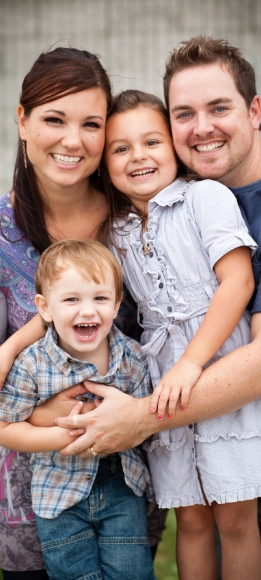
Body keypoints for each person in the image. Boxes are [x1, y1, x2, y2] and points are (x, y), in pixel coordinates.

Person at [54, 37, 261, 466]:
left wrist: (141, 416)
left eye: (220, 108)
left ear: (255, 111)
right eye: (185, 114)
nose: (202, 128)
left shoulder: (207, 201)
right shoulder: (150, 217)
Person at [102, 88, 261, 580]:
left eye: (152, 141)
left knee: (234, 513)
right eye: (120, 148)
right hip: (161, 376)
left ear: (173, 146)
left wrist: (192, 363)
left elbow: (240, 280)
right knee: (189, 518)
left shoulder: (204, 197)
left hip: (218, 365)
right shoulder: (116, 229)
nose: (139, 156)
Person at [0, 239, 156, 580]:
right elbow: (6, 427)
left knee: (132, 573)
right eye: (71, 299)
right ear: (44, 308)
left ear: (116, 305)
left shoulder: (133, 358)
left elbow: (146, 422)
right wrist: (61, 435)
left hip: (121, 487)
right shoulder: (32, 364)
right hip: (57, 493)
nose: (87, 311)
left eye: (100, 298)